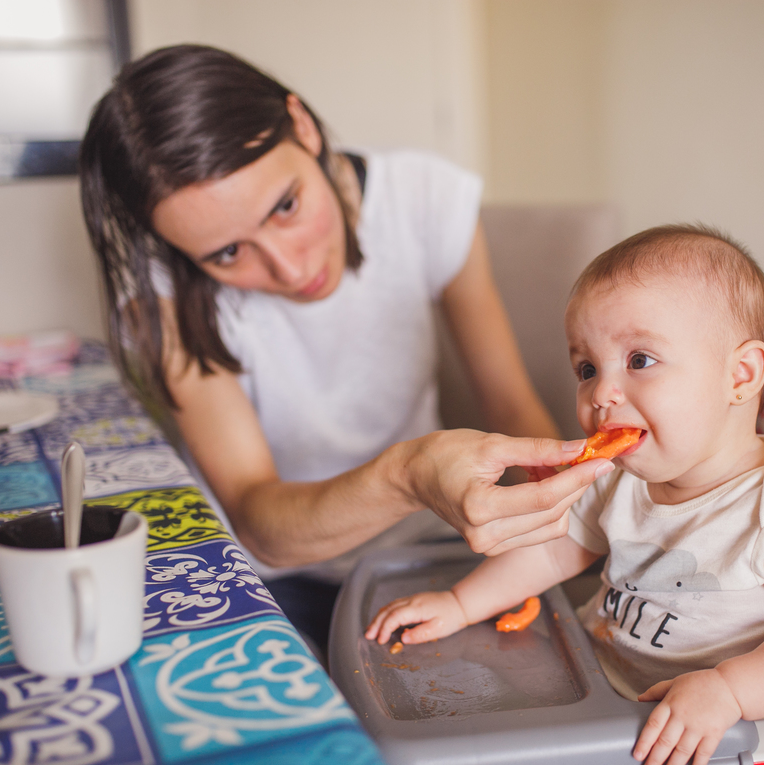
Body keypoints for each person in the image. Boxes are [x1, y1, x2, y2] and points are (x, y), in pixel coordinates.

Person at [78, 45, 612, 652]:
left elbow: (509, 405)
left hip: (429, 548)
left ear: (302, 125)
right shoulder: (162, 296)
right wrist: (408, 475)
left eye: (286, 206)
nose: (288, 266)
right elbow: (259, 525)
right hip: (267, 579)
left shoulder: (421, 200)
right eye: (227, 253)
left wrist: (578, 508)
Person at [367, 224, 764, 765]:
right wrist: (460, 603)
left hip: (677, 749)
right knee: (443, 764)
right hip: (587, 694)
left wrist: (728, 690)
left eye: (640, 359)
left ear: (740, 375)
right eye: (587, 368)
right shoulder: (621, 477)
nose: (602, 393)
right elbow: (553, 552)